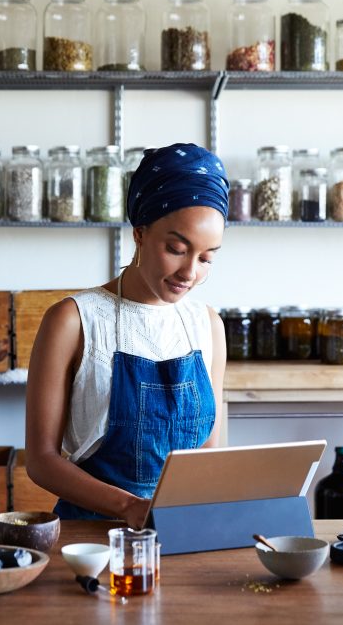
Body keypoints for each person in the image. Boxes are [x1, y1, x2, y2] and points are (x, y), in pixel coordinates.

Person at [25, 143, 229, 528]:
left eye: (206, 259)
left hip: (178, 531)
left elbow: (206, 454)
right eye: (176, 249)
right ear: (139, 233)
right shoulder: (73, 320)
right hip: (88, 534)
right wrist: (130, 508)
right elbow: (41, 461)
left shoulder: (208, 325)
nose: (190, 272)